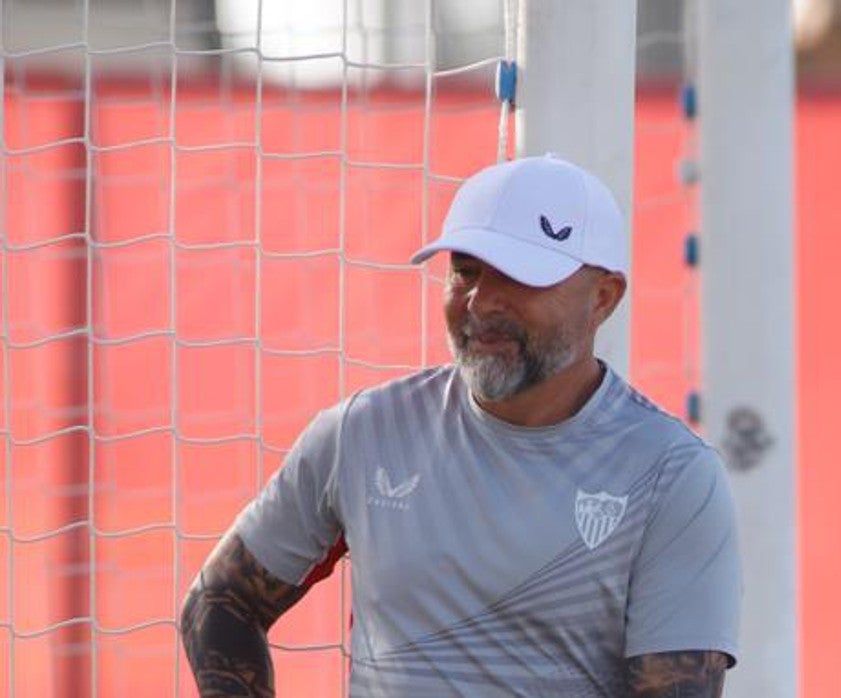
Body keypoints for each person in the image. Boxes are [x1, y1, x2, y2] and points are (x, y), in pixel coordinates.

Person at [179, 154, 743, 697]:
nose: (482, 301)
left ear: (603, 298)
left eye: (521, 277)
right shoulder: (363, 434)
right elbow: (220, 602)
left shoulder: (671, 475)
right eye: (465, 272)